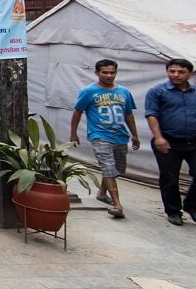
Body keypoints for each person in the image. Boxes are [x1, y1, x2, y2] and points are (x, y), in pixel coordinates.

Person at [70, 59, 140, 219]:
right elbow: (77, 113)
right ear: (97, 73)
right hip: (99, 135)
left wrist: (134, 134)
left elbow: (128, 114)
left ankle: (102, 192)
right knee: (108, 167)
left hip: (120, 136)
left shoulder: (124, 92)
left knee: (116, 169)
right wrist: (73, 133)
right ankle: (117, 205)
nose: (109, 76)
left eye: (112, 72)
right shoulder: (89, 92)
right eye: (104, 72)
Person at [144, 58, 196, 226]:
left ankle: (191, 205)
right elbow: (152, 114)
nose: (176, 75)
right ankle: (173, 211)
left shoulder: (195, 92)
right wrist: (158, 137)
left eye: (181, 72)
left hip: (193, 141)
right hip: (167, 141)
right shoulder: (157, 91)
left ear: (190, 73)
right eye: (172, 71)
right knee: (170, 178)